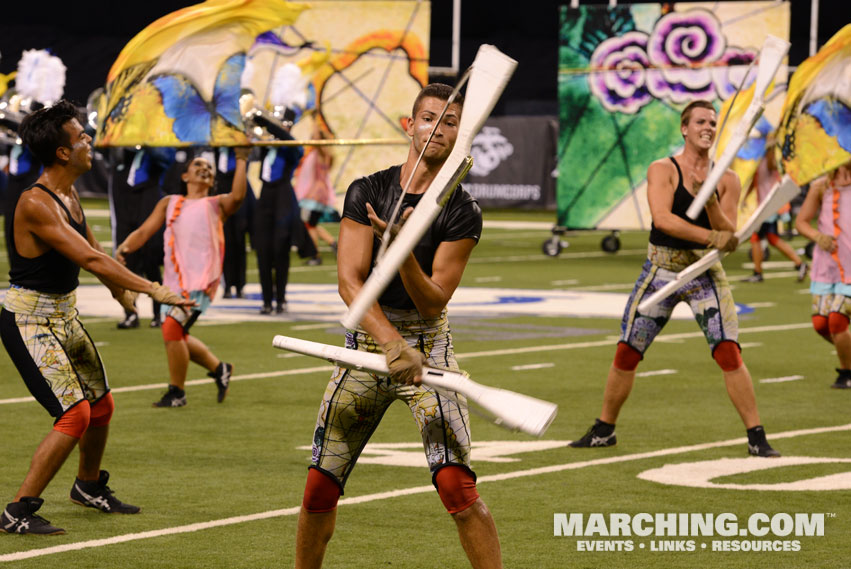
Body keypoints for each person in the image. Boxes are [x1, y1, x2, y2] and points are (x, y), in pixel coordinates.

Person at [294, 84, 502, 569]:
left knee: (457, 486)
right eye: (429, 118)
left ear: (460, 133)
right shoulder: (367, 190)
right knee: (319, 485)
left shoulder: (461, 209)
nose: (438, 129)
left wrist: (402, 250)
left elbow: (433, 303)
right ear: (411, 126)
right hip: (369, 348)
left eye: (450, 122)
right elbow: (351, 284)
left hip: (428, 350)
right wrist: (390, 343)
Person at [0, 100, 191, 535]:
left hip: (64, 316)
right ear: (63, 153)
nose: (90, 141)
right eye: (82, 136)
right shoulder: (36, 203)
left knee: (101, 405)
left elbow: (95, 254)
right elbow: (87, 256)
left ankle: (87, 486)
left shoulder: (69, 194)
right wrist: (153, 289)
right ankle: (16, 511)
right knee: (74, 415)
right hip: (30, 320)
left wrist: (119, 292)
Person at [569, 100, 780, 458]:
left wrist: (709, 201)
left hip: (704, 272)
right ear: (684, 128)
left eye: (713, 122)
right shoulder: (662, 169)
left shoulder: (726, 178)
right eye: (700, 121)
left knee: (728, 349)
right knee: (627, 350)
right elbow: (663, 219)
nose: (708, 127)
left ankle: (756, 436)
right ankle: (604, 430)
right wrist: (711, 236)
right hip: (660, 270)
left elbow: (729, 233)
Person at [115, 146, 251, 407]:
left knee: (171, 329)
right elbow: (144, 231)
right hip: (174, 284)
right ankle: (219, 367)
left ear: (212, 181)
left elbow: (238, 196)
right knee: (177, 335)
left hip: (201, 281)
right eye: (198, 165)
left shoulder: (216, 204)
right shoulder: (169, 203)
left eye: (209, 168)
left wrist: (242, 159)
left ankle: (177, 392)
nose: (205, 169)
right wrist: (125, 247)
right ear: (185, 175)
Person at [794, 160, 851, 388]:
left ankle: (846, 373)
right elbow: (801, 222)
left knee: (837, 321)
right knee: (821, 324)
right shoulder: (821, 185)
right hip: (826, 267)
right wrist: (818, 237)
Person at [108, 147, 173, 328]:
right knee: (126, 259)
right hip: (123, 199)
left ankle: (159, 312)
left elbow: (166, 156)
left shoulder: (156, 144)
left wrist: (144, 142)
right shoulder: (121, 149)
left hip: (148, 196)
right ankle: (130, 313)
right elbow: (100, 143)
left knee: (150, 258)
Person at [254, 119, 310, 314]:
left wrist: (267, 124)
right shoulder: (265, 146)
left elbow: (286, 137)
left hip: (283, 198)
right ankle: (267, 300)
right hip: (265, 197)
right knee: (263, 253)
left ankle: (281, 298)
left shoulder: (292, 146)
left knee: (280, 251)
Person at [742, 138, 807, 283]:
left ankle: (758, 273)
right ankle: (799, 264)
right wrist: (746, 197)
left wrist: (770, 146)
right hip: (764, 207)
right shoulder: (759, 161)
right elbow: (755, 180)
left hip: (770, 207)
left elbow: (773, 165)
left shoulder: (770, 158)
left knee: (756, 237)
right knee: (772, 238)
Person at [213, 146, 256, 299]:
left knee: (239, 242)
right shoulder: (218, 148)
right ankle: (227, 285)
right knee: (224, 242)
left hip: (239, 194)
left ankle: (240, 285)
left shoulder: (239, 148)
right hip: (221, 192)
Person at [295, 125, 338, 263]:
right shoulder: (326, 155)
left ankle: (316, 255)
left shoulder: (320, 154)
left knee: (309, 225)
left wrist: (314, 121)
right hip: (319, 194)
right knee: (311, 223)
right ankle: (332, 243)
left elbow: (318, 140)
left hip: (315, 195)